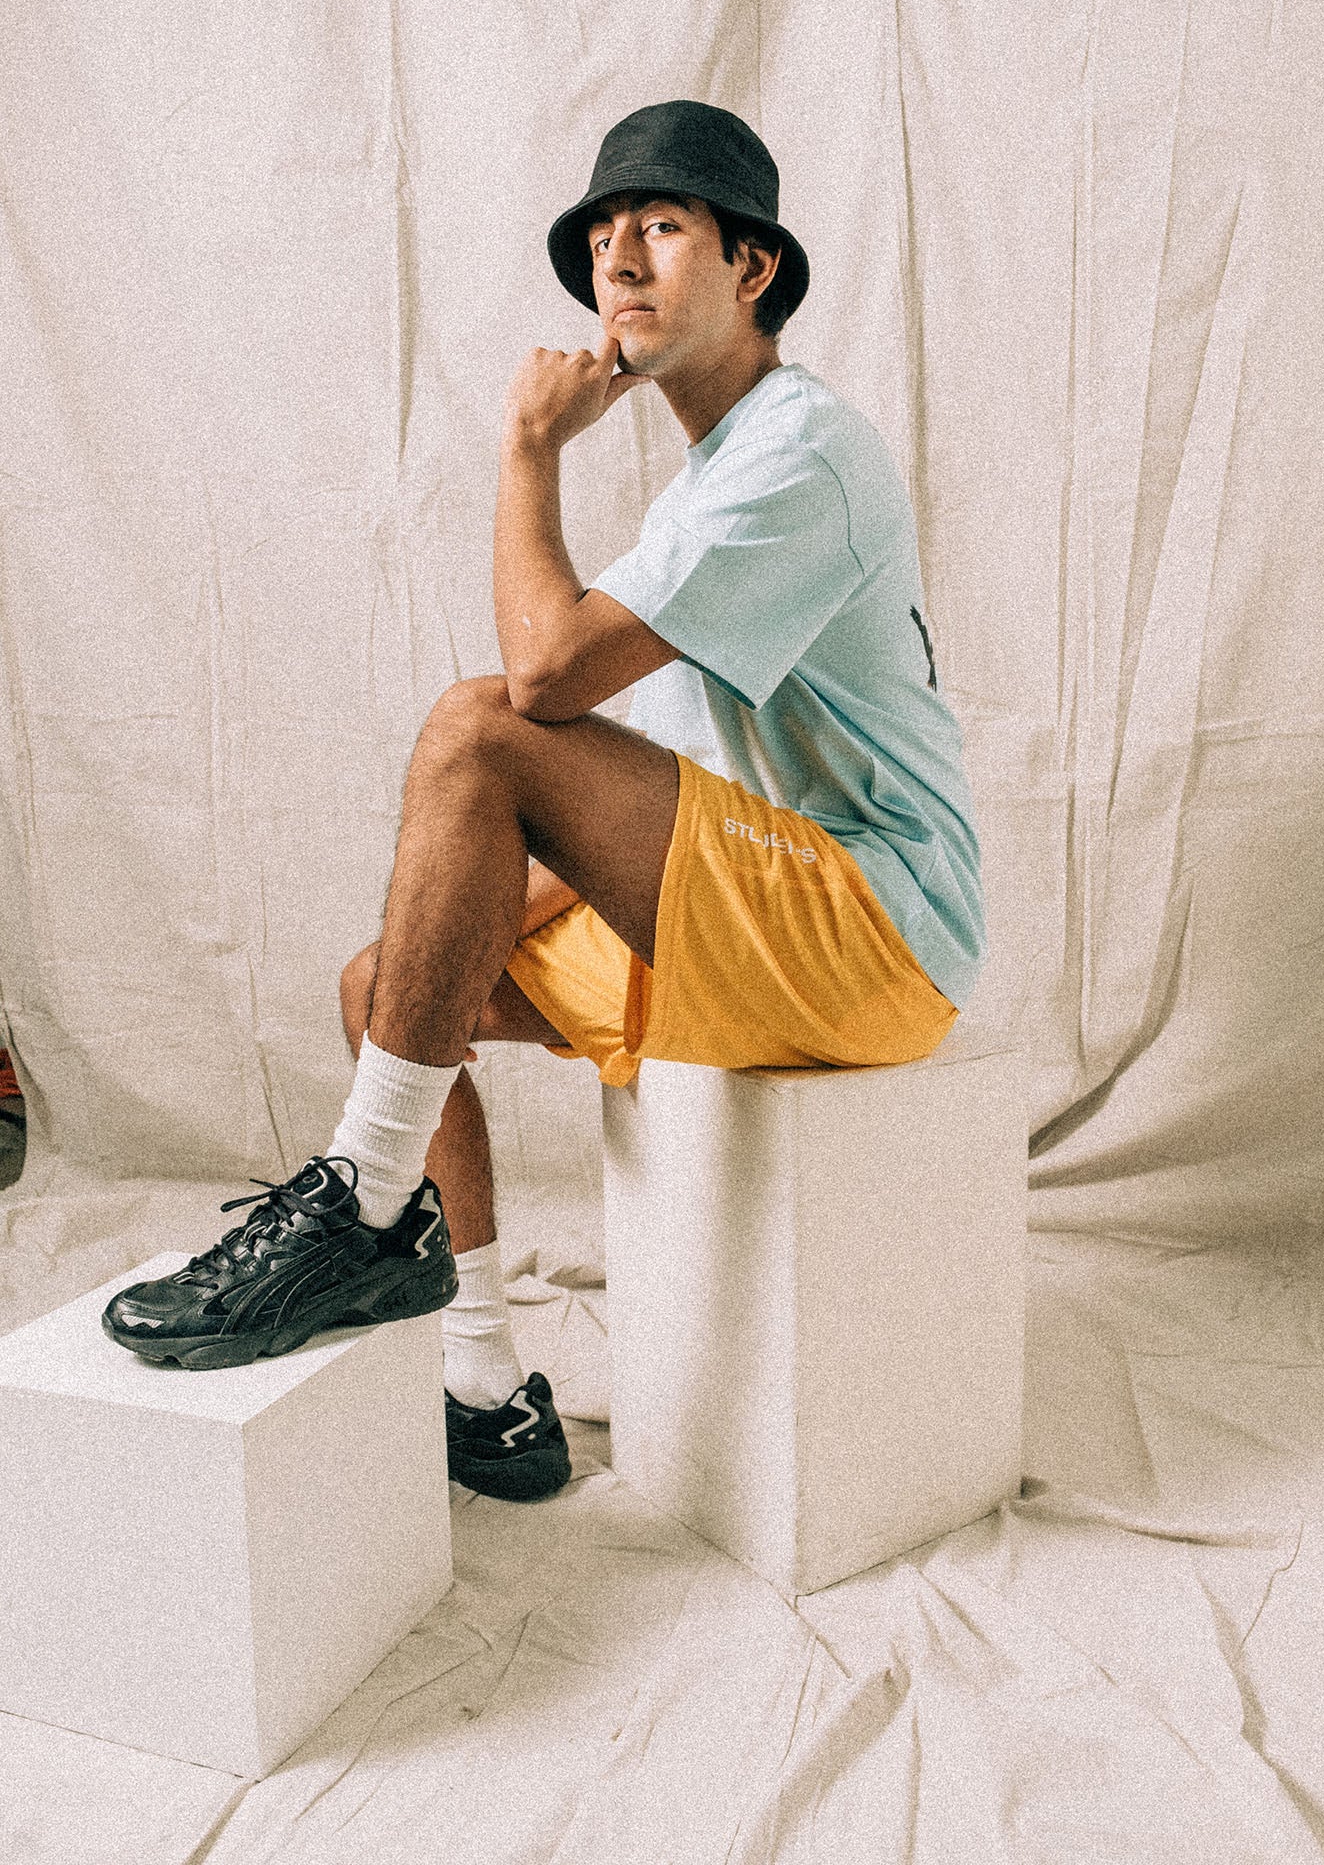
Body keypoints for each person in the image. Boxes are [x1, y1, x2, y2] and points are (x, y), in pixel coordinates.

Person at [103, 100, 986, 1505]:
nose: (617, 260)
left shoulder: (798, 453)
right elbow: (637, 793)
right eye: (602, 236)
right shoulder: (714, 477)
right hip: (761, 904)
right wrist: (459, 949)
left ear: (753, 267)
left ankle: (357, 1203)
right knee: (391, 989)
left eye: (663, 228)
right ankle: (481, 1387)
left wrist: (528, 447)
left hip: (875, 928)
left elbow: (544, 679)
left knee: (479, 725)